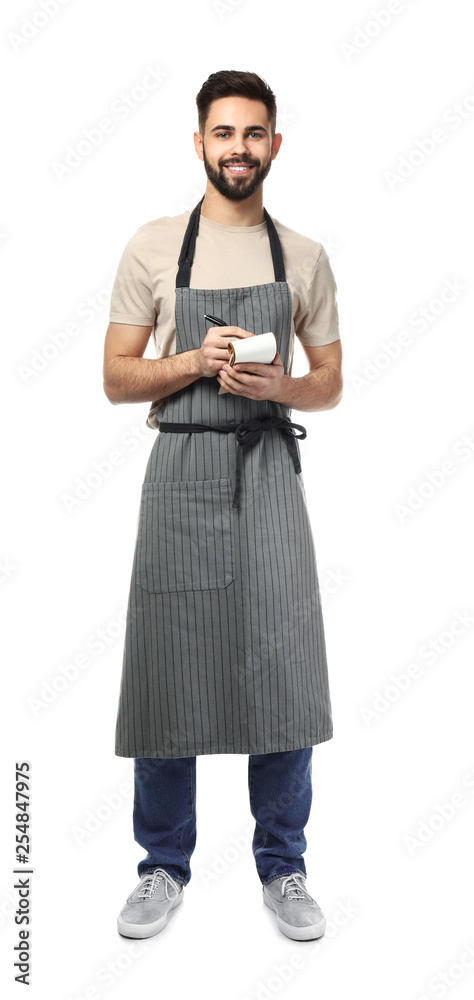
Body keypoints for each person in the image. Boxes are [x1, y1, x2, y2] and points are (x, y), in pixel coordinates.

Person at [103, 69, 343, 943]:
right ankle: (162, 864)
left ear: (274, 145)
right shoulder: (155, 247)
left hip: (269, 472)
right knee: (168, 664)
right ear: (198, 142)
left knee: (281, 661)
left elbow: (332, 383)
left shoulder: (306, 255)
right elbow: (116, 377)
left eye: (253, 134)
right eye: (222, 132)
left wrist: (281, 384)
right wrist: (194, 363)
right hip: (181, 472)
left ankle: (285, 865)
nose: (237, 148)